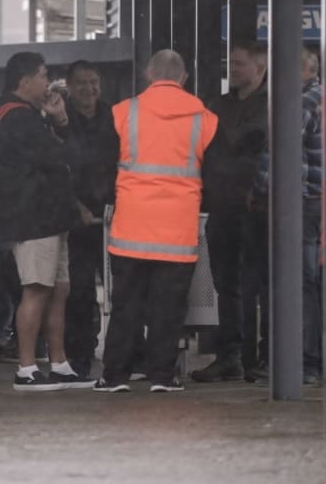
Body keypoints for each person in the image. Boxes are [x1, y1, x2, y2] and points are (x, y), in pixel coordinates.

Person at [95, 50, 217, 393]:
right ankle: (162, 376)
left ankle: (115, 376)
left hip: (130, 228)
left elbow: (102, 168)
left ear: (149, 75)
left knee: (126, 304)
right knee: (168, 307)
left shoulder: (123, 113)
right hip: (178, 230)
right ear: (183, 78)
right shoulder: (204, 118)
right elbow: (215, 172)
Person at [0, 52, 90, 391]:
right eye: (43, 75)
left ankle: (59, 363)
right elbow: (63, 157)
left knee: (58, 289)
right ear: (25, 79)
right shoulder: (15, 117)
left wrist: (58, 122)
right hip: (33, 217)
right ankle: (27, 367)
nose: (48, 84)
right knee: (36, 288)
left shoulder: (28, 116)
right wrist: (60, 125)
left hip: (50, 216)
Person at [192, 40, 269, 383]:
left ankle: (262, 360)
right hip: (221, 204)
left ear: (260, 67)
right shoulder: (219, 104)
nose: (232, 70)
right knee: (226, 285)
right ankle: (230, 357)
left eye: (239, 64)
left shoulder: (274, 103)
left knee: (259, 283)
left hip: (257, 206)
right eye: (231, 63)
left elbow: (245, 139)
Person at [252, 47, 324, 385]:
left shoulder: (304, 101)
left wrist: (259, 189)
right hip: (320, 202)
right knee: (311, 282)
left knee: (300, 282)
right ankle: (311, 359)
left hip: (301, 202)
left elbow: (282, 149)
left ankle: (306, 362)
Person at [59, 61, 119, 378]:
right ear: (69, 85)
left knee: (120, 290)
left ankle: (121, 355)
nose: (89, 89)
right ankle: (81, 356)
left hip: (114, 217)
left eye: (94, 82)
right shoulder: (60, 120)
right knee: (79, 291)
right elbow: (54, 170)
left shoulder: (114, 117)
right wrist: (75, 205)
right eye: (82, 83)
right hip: (77, 221)